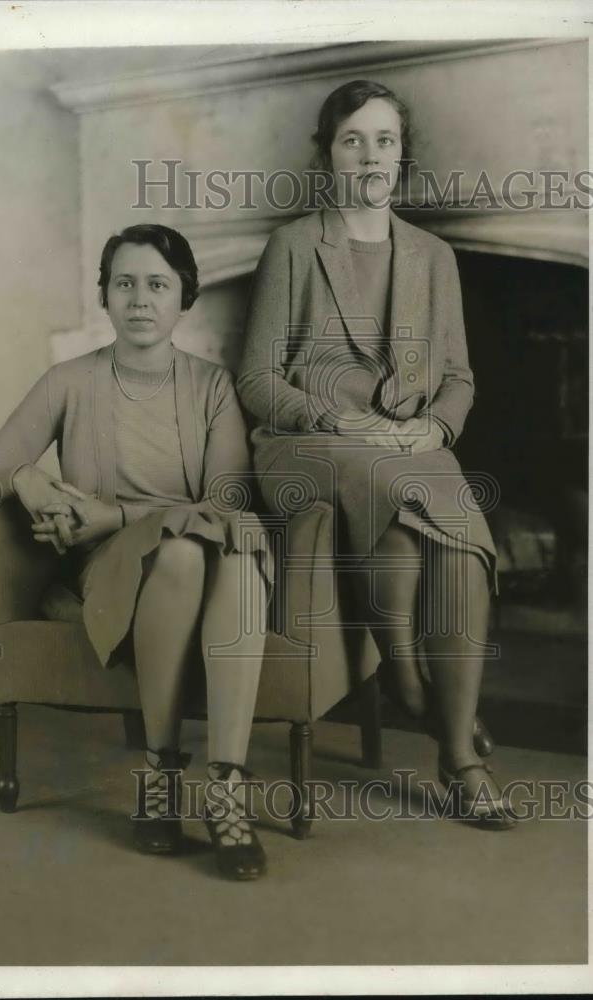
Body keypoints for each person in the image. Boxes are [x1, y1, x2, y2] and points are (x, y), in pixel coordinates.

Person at [238, 79, 515, 828]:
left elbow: (457, 377)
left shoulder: (433, 257)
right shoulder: (294, 245)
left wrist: (437, 429)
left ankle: (455, 750)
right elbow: (257, 378)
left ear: (401, 156)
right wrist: (331, 414)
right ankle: (411, 683)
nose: (369, 154)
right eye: (352, 138)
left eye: (384, 140)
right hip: (305, 443)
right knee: (392, 483)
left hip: (407, 444)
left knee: (459, 543)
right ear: (328, 154)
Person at [0, 224, 272, 877]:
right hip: (111, 572)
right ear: (104, 295)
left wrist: (115, 513)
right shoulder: (69, 381)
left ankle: (226, 788)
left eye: (157, 285)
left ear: (184, 297)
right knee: (186, 552)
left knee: (235, 553)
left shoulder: (213, 388)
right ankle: (160, 775)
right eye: (124, 283)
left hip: (201, 563)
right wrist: (25, 475)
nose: (140, 299)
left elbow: (226, 500)